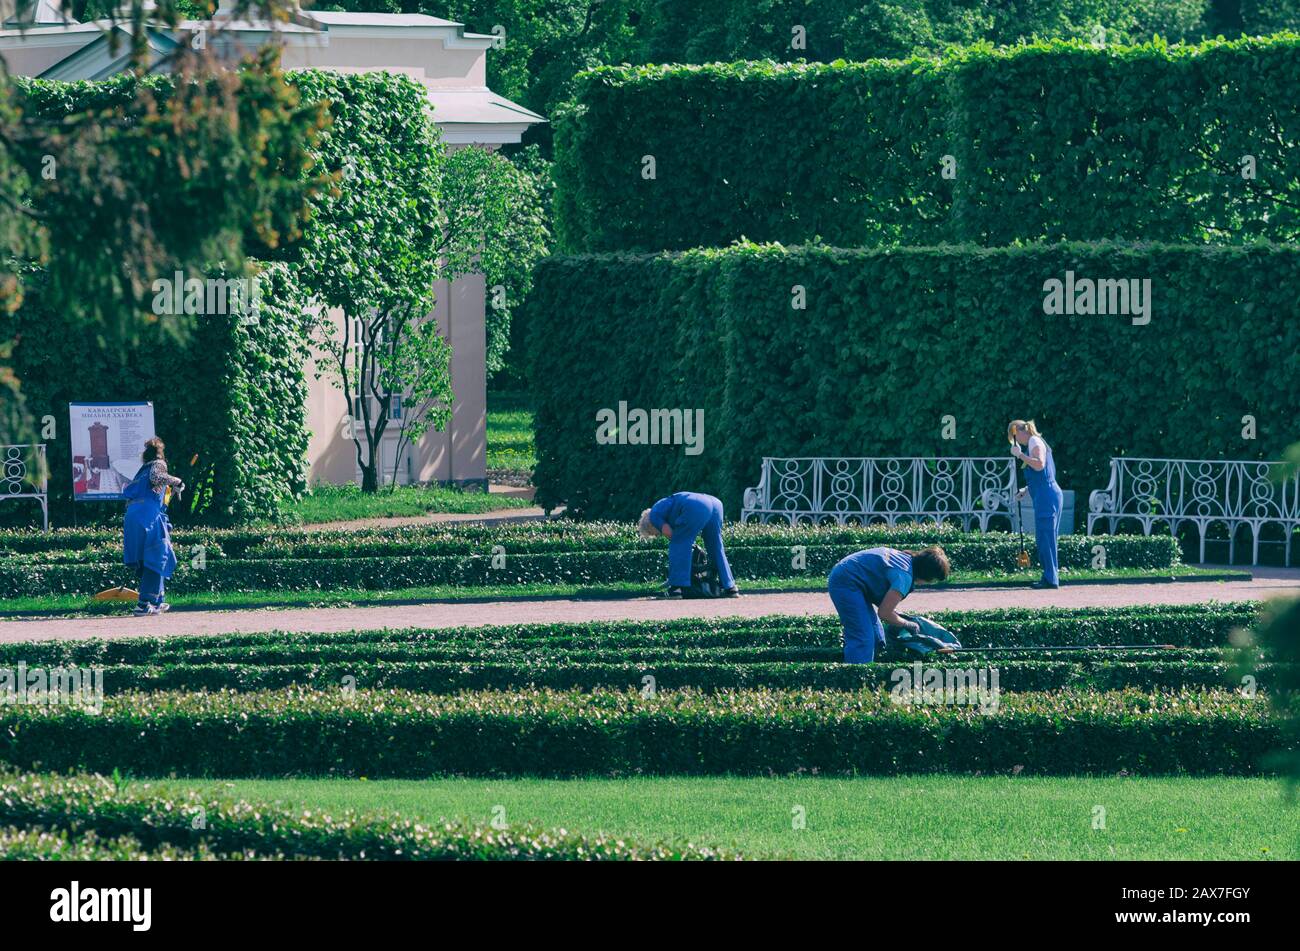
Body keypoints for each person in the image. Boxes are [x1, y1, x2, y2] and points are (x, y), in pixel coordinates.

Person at [827, 546, 950, 663]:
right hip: (846, 581)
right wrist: (907, 624)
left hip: (852, 578)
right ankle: (858, 680)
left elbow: (885, 606)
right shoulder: (904, 577)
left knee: (877, 636)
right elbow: (884, 613)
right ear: (926, 574)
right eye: (932, 579)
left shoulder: (907, 559)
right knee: (863, 638)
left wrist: (896, 617)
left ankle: (870, 667)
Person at [122, 437, 184, 616]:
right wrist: (178, 481)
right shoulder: (158, 464)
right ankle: (144, 603)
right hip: (147, 515)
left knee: (147, 557)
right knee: (157, 554)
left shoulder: (141, 471)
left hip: (133, 516)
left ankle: (157, 600)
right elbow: (158, 477)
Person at [638, 492, 739, 598]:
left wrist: (674, 574)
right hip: (715, 504)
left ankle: (676, 588)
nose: (658, 535)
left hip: (695, 505)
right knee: (716, 547)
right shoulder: (664, 506)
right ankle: (730, 587)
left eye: (654, 534)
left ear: (649, 526)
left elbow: (670, 534)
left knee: (678, 543)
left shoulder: (654, 515)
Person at [1009, 419, 1063, 589]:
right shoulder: (1035, 441)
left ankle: (1050, 579)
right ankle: (1050, 577)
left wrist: (1020, 455)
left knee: (1045, 539)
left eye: (1014, 438)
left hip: (1046, 497)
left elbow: (1039, 465)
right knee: (1045, 538)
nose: (1016, 442)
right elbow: (1042, 474)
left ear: (1019, 432)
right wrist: (1026, 489)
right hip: (1046, 495)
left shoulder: (1033, 440)